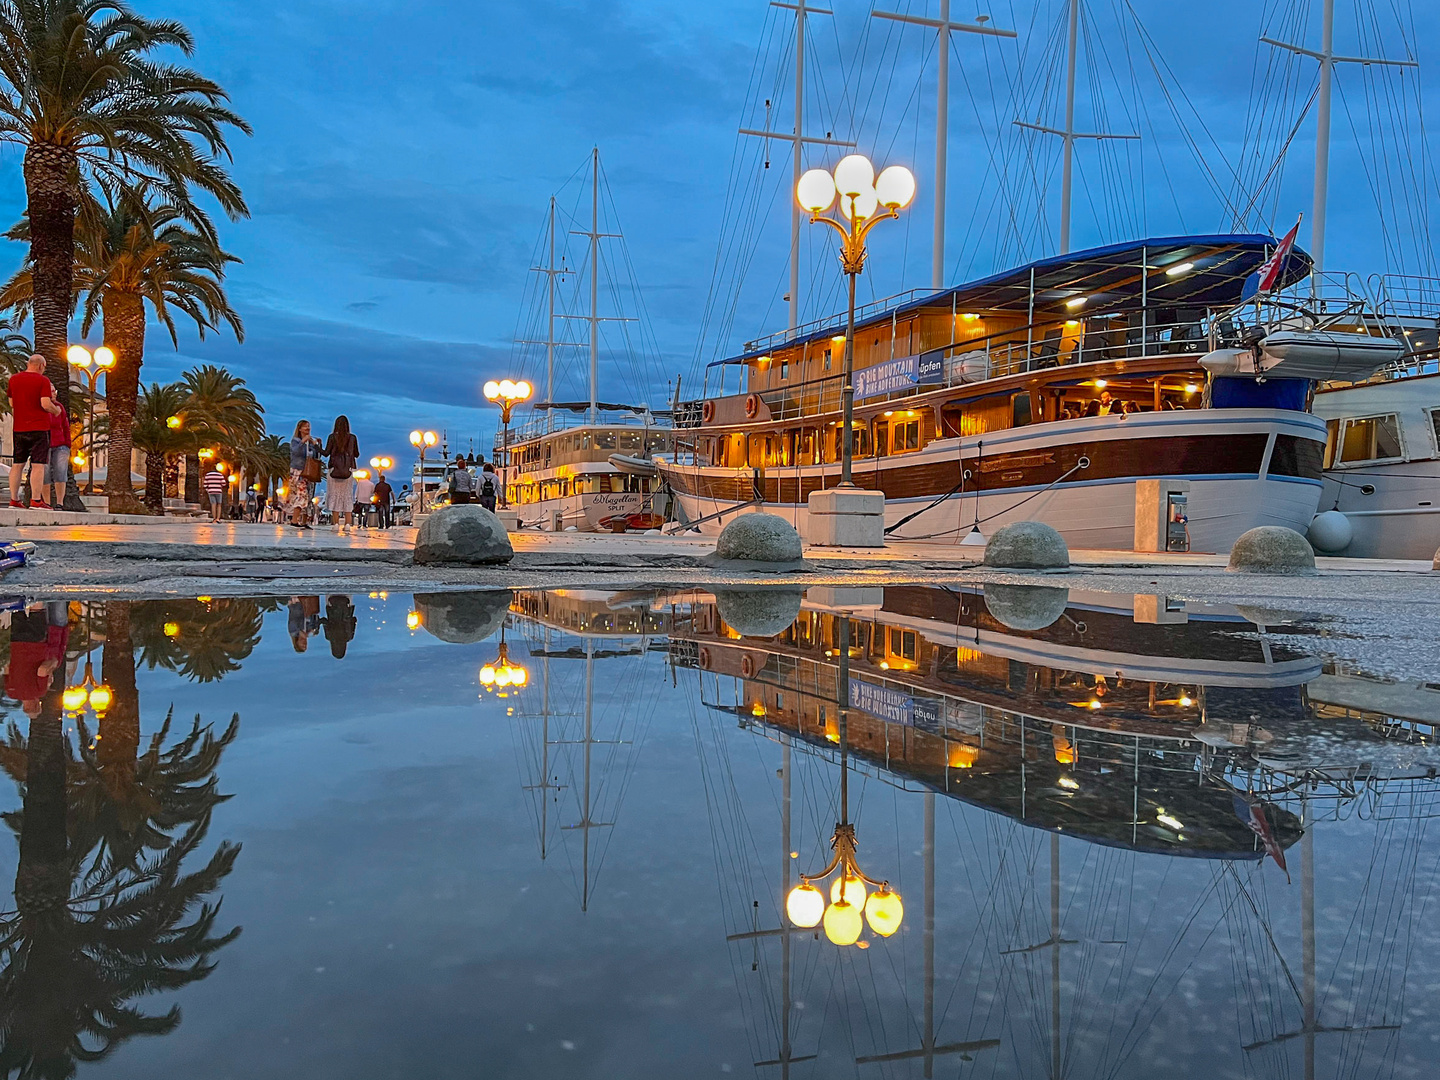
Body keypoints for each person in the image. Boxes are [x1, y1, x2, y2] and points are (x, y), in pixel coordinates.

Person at [8, 354, 62, 509]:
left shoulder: (14, 379)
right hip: (39, 428)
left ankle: (14, 499)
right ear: (41, 366)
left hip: (19, 428)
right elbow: (45, 403)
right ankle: (36, 500)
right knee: (38, 465)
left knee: (17, 464)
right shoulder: (43, 381)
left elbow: (11, 402)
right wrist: (56, 410)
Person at [322, 416, 360, 532]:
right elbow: (357, 454)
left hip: (334, 470)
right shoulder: (352, 438)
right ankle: (348, 524)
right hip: (347, 470)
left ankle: (336, 524)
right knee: (347, 496)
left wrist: (316, 446)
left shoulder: (332, 437)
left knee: (334, 495)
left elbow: (326, 453)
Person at [288, 420, 323, 530]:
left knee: (308, 497)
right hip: (298, 471)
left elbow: (316, 456)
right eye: (305, 427)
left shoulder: (310, 442)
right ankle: (294, 520)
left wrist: (317, 445)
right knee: (301, 495)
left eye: (308, 426)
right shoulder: (295, 441)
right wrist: (303, 442)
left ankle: (303, 520)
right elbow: (295, 452)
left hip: (308, 473)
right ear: (299, 429)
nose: (307, 428)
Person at [48, 399, 70, 508]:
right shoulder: (41, 406)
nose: (54, 393)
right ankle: (46, 502)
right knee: (44, 474)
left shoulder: (59, 407)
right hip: (45, 444)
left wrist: (67, 444)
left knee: (60, 473)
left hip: (60, 444)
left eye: (55, 391)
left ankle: (60, 502)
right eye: (51, 391)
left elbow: (65, 425)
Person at [321, 594, 357, 659]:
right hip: (331, 603)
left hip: (346, 605)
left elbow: (354, 619)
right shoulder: (329, 636)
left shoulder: (349, 637)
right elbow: (325, 621)